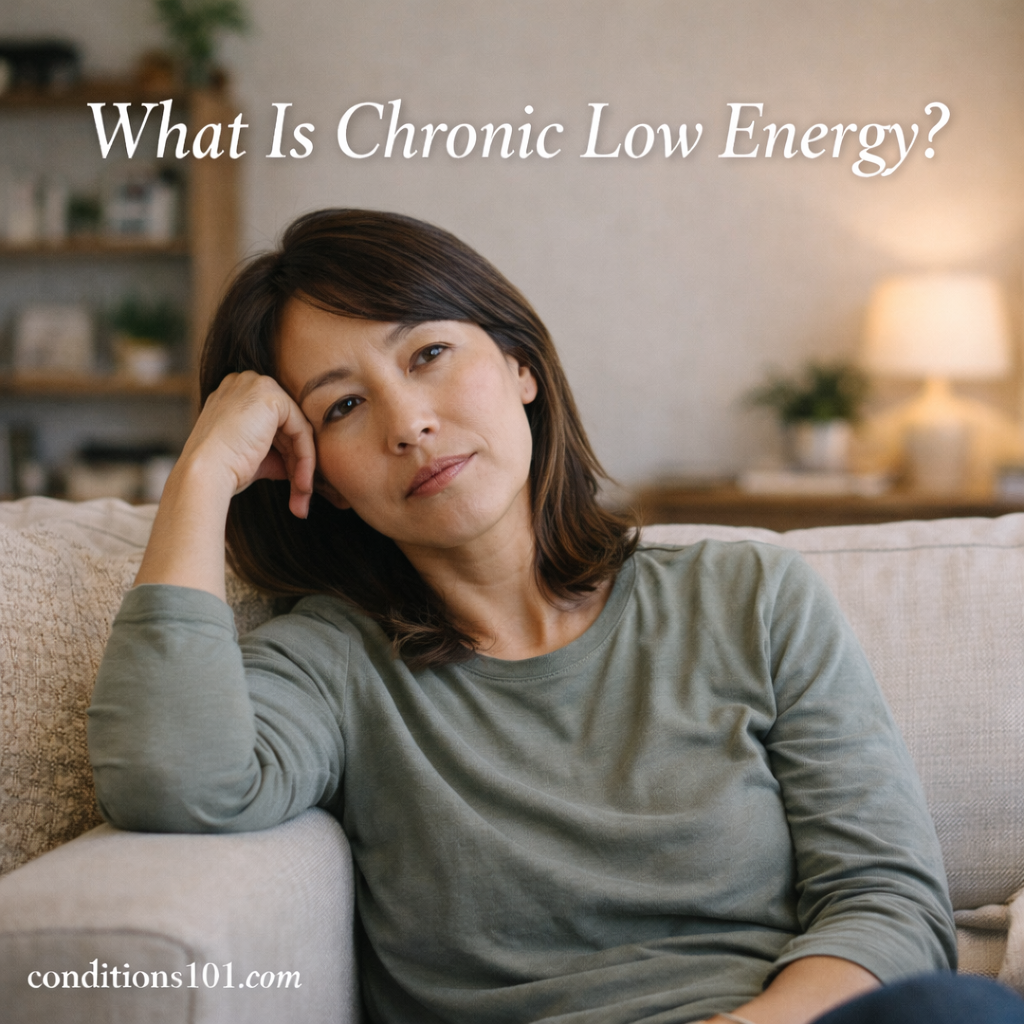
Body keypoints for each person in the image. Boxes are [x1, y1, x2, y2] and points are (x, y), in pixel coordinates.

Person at [88, 209, 1023, 1024]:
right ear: (318, 480)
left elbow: (887, 900)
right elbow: (178, 785)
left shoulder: (749, 595)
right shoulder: (334, 664)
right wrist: (202, 472)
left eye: (429, 354)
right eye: (341, 407)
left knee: (965, 1010)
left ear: (522, 365)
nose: (408, 423)